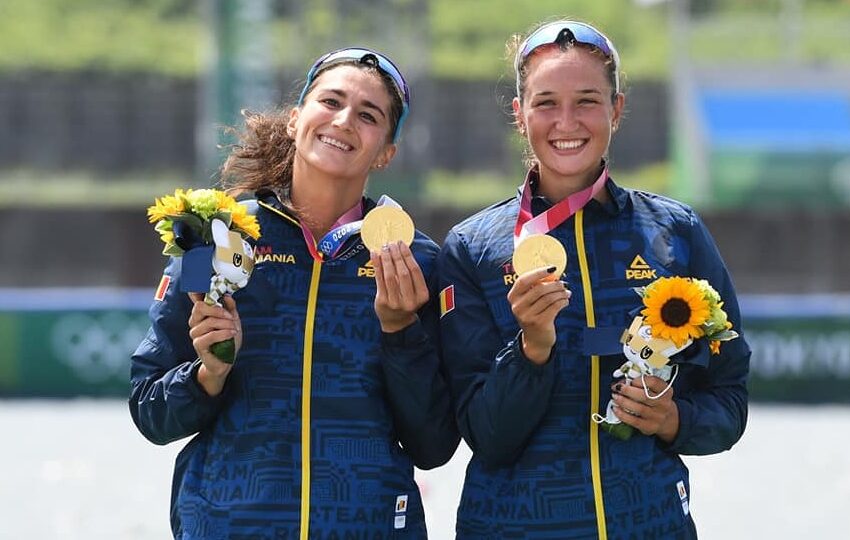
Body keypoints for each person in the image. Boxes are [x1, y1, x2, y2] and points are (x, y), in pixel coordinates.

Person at [437, 20, 751, 538]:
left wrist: (675, 420)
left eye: (587, 100)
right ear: (519, 115)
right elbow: (485, 435)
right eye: (545, 103)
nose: (567, 121)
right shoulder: (471, 249)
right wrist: (532, 350)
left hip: (651, 525)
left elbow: (730, 397)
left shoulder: (675, 231)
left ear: (617, 110)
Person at [130, 47, 459, 539]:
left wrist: (400, 332)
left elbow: (434, 445)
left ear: (387, 151)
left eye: (368, 115)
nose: (344, 120)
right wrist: (208, 374)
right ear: (295, 119)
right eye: (330, 101)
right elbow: (150, 410)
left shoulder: (419, 262)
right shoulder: (217, 237)